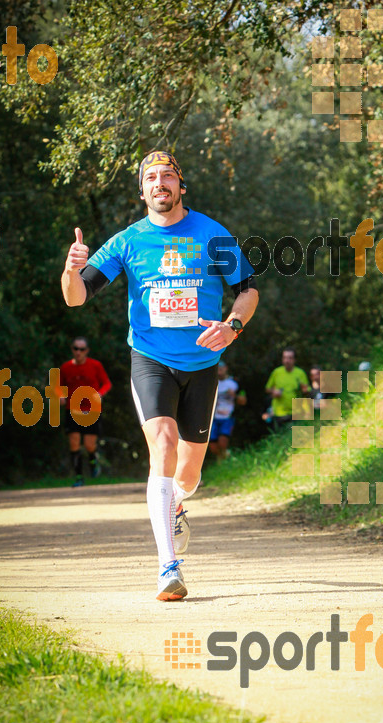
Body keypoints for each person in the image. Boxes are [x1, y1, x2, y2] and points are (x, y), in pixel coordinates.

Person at [61, 150, 258, 601]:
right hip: (150, 360)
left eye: (168, 175)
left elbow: (248, 290)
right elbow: (77, 297)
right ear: (142, 190)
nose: (160, 183)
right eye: (151, 177)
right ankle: (168, 567)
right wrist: (71, 270)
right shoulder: (128, 241)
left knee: (188, 476)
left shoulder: (213, 234)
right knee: (163, 445)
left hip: (203, 367)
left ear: (180, 186)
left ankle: (176, 502)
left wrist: (232, 327)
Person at [59, 336, 112, 487]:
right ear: (72, 350)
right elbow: (58, 386)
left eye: (82, 349)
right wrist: (61, 395)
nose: (78, 352)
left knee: (89, 445)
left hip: (92, 409)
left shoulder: (95, 365)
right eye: (76, 349)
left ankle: (93, 460)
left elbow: (107, 383)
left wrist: (100, 394)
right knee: (74, 443)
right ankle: (79, 478)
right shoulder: (66, 367)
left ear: (87, 351)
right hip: (72, 408)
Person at [265, 348, 310, 430]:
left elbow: (307, 391)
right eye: (285, 357)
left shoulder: (300, 373)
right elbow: (267, 389)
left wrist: (305, 390)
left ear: (294, 360)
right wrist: (274, 391)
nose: (287, 360)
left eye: (290, 358)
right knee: (282, 439)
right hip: (279, 413)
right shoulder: (277, 372)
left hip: (296, 412)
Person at [209, 361, 243, 461]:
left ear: (226, 368)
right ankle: (224, 458)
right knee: (213, 446)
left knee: (222, 443)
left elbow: (243, 400)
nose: (219, 371)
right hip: (213, 417)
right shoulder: (212, 382)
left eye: (221, 368)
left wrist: (234, 396)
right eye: (217, 369)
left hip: (228, 417)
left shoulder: (234, 383)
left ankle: (223, 462)